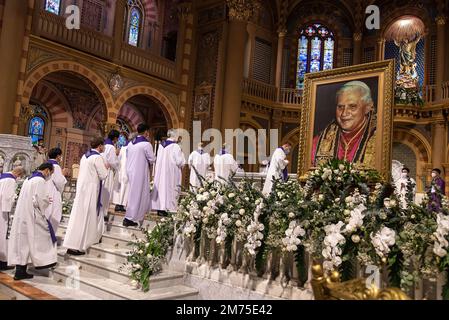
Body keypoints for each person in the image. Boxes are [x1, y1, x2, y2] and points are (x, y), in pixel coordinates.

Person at [8, 163, 56, 280]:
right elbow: (40, 199)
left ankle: (20, 271)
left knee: (23, 242)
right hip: (32, 215)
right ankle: (44, 261)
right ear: (46, 170)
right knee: (41, 237)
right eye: (50, 172)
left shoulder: (29, 179)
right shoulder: (40, 180)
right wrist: (46, 201)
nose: (49, 175)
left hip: (23, 214)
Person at [311, 81, 376, 167]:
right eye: (340, 107)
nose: (344, 113)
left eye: (352, 106)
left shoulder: (380, 138)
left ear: (368, 107)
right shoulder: (319, 141)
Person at [63, 137, 109, 256]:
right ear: (99, 146)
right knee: (86, 216)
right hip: (91, 190)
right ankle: (80, 245)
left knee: (78, 216)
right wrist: (107, 168)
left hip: (82, 188)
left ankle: (72, 244)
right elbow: (103, 175)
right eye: (103, 145)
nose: (104, 147)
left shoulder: (85, 156)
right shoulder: (97, 157)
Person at [123, 125, 155, 227]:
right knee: (137, 195)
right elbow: (152, 159)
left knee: (133, 193)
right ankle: (129, 218)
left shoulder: (131, 143)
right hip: (139, 171)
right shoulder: (146, 144)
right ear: (146, 132)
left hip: (130, 170)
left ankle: (136, 215)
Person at [151, 129, 186, 216]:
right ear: (174, 136)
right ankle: (168, 208)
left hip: (161, 172)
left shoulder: (161, 145)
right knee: (170, 188)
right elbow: (179, 161)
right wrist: (182, 156)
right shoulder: (175, 146)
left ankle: (160, 208)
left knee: (162, 188)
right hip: (171, 173)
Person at [0, 167, 25, 271]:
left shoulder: (2, 177)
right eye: (19, 177)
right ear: (18, 174)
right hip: (2, 211)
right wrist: (11, 205)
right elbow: (7, 197)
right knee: (2, 234)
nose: (18, 179)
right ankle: (2, 262)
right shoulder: (10, 180)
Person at [45, 148, 68, 233]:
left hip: (45, 191)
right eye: (60, 156)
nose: (61, 157)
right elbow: (59, 182)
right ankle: (50, 236)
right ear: (58, 156)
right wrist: (63, 175)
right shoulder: (56, 166)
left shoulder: (45, 164)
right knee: (54, 215)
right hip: (53, 192)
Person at [112, 133, 137, 213]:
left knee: (120, 187)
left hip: (120, 169)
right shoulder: (131, 147)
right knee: (124, 187)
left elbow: (118, 158)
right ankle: (121, 204)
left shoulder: (122, 147)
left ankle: (118, 204)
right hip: (126, 170)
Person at [100, 130, 120, 220]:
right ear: (115, 138)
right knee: (106, 192)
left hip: (101, 169)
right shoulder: (111, 147)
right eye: (117, 138)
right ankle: (104, 212)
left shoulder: (103, 145)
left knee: (101, 191)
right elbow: (112, 161)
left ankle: (100, 210)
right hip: (108, 171)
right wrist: (118, 164)